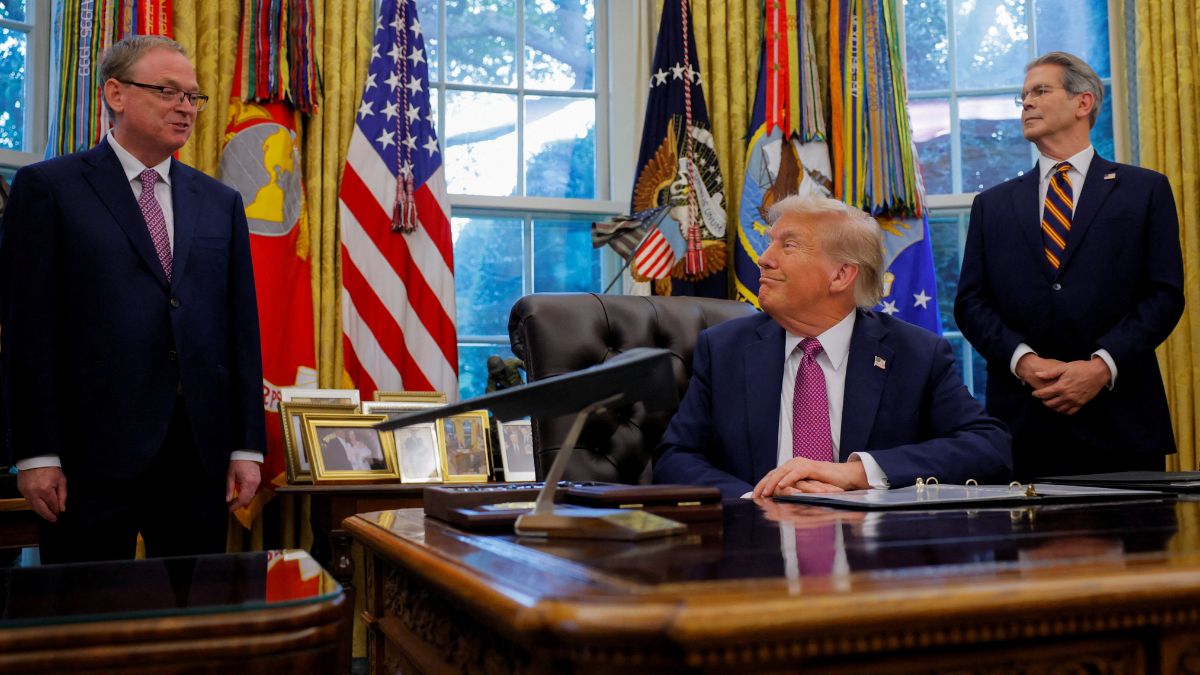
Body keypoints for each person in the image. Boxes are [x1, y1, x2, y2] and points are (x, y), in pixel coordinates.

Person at [0, 36, 266, 562]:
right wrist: (35, 453)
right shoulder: (48, 188)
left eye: (193, 97)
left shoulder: (221, 203)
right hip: (87, 457)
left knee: (193, 624)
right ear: (116, 94)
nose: (185, 108)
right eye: (168, 92)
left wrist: (246, 446)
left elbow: (240, 331)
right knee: (88, 625)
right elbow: (29, 333)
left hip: (198, 453)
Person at [653, 194, 1011, 499]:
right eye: (770, 242)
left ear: (841, 275)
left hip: (874, 559)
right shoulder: (724, 348)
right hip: (756, 551)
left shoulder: (914, 353)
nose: (764, 258)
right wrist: (757, 497)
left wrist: (859, 473)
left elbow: (989, 447)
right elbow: (675, 457)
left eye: (787, 245)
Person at [954, 52, 1184, 480]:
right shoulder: (993, 205)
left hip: (1122, 424)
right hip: (1024, 426)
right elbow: (971, 303)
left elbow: (1164, 295)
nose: (1026, 103)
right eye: (1022, 96)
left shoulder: (1144, 189)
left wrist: (1101, 367)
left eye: (1040, 91)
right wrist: (1022, 361)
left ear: (1084, 102)